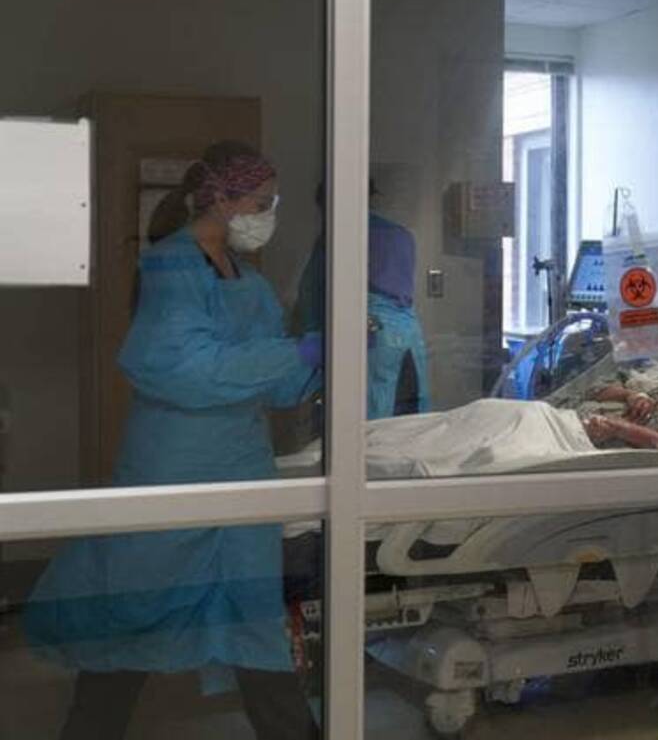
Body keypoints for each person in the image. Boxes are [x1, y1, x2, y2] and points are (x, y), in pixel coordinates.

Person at [24, 142, 322, 740]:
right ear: (222, 198)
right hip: (176, 464)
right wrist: (288, 352)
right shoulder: (171, 267)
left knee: (253, 620)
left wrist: (322, 354)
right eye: (261, 203)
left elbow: (280, 383)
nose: (268, 214)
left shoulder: (250, 282)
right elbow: (187, 369)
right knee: (137, 611)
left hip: (240, 470)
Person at [296, 180, 429, 419]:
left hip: (369, 332)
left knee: (364, 423)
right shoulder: (399, 234)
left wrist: (308, 343)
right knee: (409, 416)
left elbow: (312, 292)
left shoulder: (341, 233)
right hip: (408, 333)